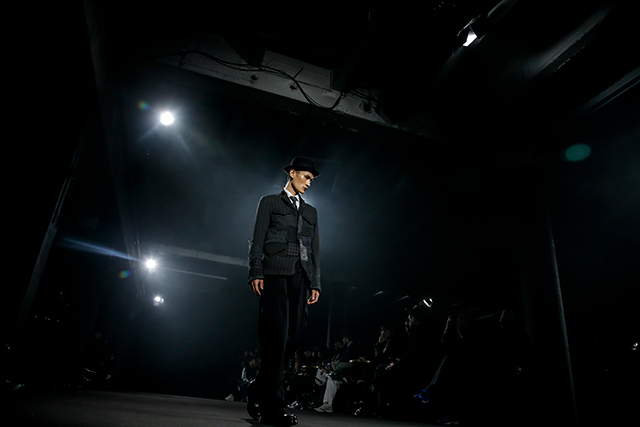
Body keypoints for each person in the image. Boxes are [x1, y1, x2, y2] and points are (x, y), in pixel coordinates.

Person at [247, 156, 322, 427]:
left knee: (293, 338)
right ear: (292, 173)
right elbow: (257, 238)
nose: (308, 183)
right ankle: (273, 409)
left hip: (300, 278)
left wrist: (315, 283)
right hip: (275, 274)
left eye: (311, 180)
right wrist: (256, 271)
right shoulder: (269, 202)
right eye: (305, 177)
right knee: (276, 340)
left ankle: (258, 388)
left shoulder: (311, 212)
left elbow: (314, 250)